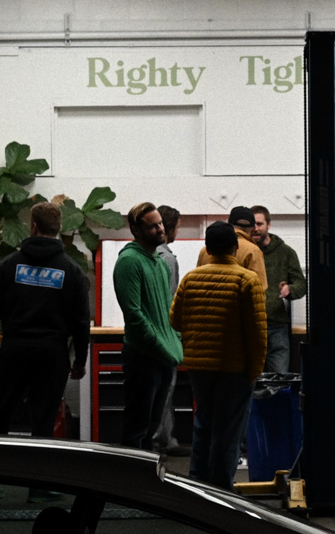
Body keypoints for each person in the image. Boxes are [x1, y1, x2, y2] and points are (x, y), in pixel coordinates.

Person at [170, 221, 267, 489]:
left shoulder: (191, 278)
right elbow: (257, 332)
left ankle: (197, 484)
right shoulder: (246, 280)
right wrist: (255, 370)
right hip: (234, 369)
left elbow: (175, 320)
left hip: (200, 368)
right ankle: (222, 491)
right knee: (229, 432)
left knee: (203, 423)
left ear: (208, 249)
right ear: (236, 247)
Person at [0, 200, 93, 441]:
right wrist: (80, 361)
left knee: (1, 414)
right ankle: (37, 472)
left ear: (33, 227)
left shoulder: (10, 265)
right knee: (44, 421)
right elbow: (80, 321)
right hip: (52, 354)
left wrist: (17, 317)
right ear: (59, 228)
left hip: (15, 349)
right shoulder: (72, 270)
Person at [112, 202, 181, 451]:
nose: (160, 229)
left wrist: (175, 340)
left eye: (160, 223)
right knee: (137, 426)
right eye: (152, 226)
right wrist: (161, 345)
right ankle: (127, 483)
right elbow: (134, 315)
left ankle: (146, 481)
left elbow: (167, 310)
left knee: (152, 426)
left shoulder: (160, 263)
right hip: (142, 355)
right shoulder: (129, 262)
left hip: (161, 356)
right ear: (136, 230)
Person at [250, 205, 307, 373]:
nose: (255, 229)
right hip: (250, 327)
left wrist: (290, 289)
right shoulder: (244, 252)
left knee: (280, 379)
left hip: (276, 326)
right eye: (252, 225)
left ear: (268, 225)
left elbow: (301, 285)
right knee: (250, 381)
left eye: (259, 224)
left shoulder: (285, 252)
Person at [152, 204, 189, 456]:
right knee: (165, 388)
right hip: (165, 332)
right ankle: (159, 441)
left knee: (161, 388)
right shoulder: (167, 259)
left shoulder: (149, 254)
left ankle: (167, 439)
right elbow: (171, 300)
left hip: (154, 332)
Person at [198, 205, 267, 296]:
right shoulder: (253, 251)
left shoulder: (205, 250)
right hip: (236, 308)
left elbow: (197, 282)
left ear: (229, 224)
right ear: (253, 228)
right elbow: (259, 289)